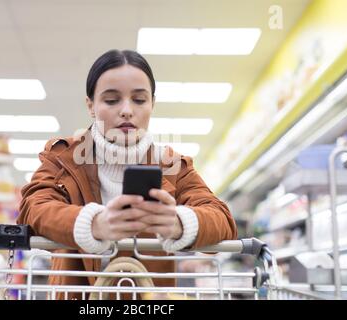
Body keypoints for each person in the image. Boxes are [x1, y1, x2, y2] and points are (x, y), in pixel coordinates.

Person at [17, 49, 237, 299]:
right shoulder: (63, 158)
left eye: (139, 100)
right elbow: (32, 209)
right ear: (91, 105)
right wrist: (94, 224)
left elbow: (222, 219)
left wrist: (178, 223)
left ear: (153, 103)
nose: (126, 110)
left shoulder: (173, 166)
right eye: (111, 100)